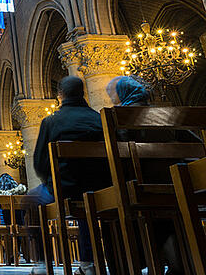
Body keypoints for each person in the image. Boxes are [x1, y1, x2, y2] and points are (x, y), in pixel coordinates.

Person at [106, 76, 200, 275]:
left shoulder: (120, 117)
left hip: (142, 188)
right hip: (179, 186)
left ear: (122, 94)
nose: (112, 99)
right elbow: (198, 147)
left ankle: (143, 262)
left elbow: (120, 161)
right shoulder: (166, 114)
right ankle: (179, 261)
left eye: (112, 95)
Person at [30, 76, 110, 275]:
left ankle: (41, 263)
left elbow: (40, 163)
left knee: (30, 203)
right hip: (100, 188)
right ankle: (88, 263)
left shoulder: (51, 121)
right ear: (82, 93)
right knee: (86, 205)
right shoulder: (99, 118)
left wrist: (50, 184)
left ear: (61, 95)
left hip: (66, 187)